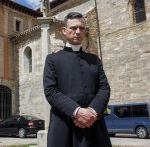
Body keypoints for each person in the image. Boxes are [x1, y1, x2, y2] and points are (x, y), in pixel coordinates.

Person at [43, 12, 112, 147]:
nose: (78, 32)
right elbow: (51, 91)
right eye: (73, 28)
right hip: (64, 125)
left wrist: (92, 112)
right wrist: (77, 112)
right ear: (64, 31)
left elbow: (104, 88)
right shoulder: (52, 60)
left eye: (81, 28)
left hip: (94, 124)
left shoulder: (94, 60)